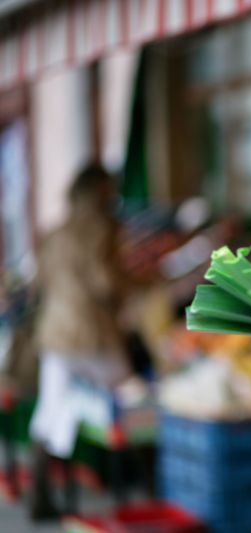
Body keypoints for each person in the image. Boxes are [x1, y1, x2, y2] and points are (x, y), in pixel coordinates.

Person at [27, 163, 133, 519]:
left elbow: (40, 281)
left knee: (49, 412)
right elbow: (105, 282)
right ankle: (138, 488)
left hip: (56, 331)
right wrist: (130, 288)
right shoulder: (101, 231)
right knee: (132, 401)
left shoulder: (54, 234)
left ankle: (40, 494)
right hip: (92, 333)